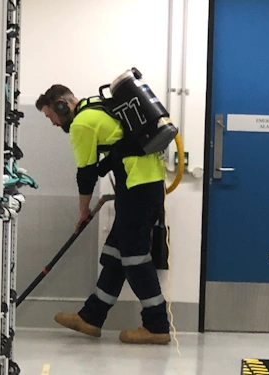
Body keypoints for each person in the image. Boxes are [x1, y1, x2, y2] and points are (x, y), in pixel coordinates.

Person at [35, 84, 170, 345]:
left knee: (134, 257)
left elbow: (85, 175)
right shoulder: (99, 108)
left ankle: (156, 325)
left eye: (50, 115)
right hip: (141, 187)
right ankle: (92, 317)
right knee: (116, 252)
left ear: (62, 104)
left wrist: (83, 211)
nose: (52, 123)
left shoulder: (82, 123)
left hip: (137, 188)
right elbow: (116, 153)